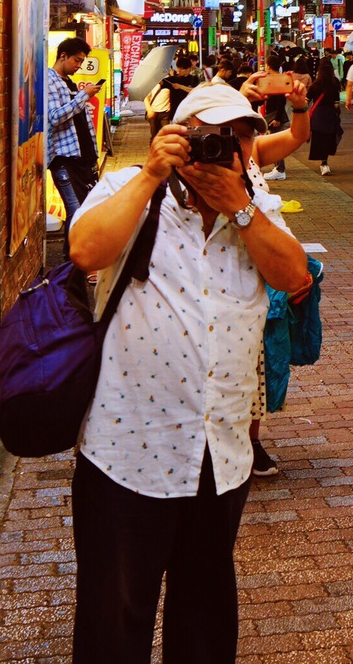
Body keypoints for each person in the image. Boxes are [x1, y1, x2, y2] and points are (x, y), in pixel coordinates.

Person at [67, 84, 313, 662]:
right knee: (112, 619)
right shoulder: (128, 189)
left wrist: (241, 206)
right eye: (211, 134)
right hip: (125, 449)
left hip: (218, 454)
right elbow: (84, 250)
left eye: (242, 134)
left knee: (204, 618)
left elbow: (295, 275)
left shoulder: (259, 210)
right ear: (177, 137)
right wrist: (151, 174)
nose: (227, 147)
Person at [45, 37, 100, 229]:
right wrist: (84, 96)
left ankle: (78, 255)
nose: (79, 65)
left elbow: (73, 114)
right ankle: (72, 256)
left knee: (83, 211)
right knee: (76, 212)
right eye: (77, 60)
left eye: (82, 61)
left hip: (81, 158)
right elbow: (54, 117)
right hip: (64, 159)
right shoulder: (50, 80)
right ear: (63, 56)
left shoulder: (69, 83)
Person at [305, 59, 344, 175]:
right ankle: (325, 162)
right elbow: (336, 103)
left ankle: (323, 163)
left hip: (318, 115)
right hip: (330, 115)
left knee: (319, 139)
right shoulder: (335, 83)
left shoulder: (315, 84)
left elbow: (306, 101)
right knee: (328, 139)